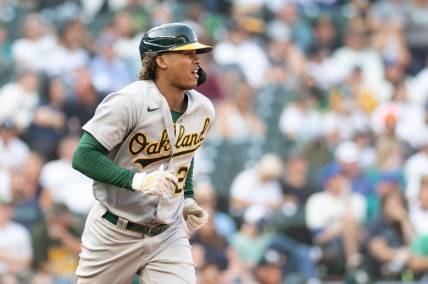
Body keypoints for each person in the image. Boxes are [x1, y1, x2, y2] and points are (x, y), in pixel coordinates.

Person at [72, 22, 215, 283]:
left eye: (197, 54)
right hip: (115, 230)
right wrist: (137, 180)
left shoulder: (203, 108)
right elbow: (83, 156)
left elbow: (185, 151)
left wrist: (189, 197)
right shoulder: (128, 102)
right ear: (161, 61)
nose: (197, 60)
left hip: (168, 233)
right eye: (187, 53)